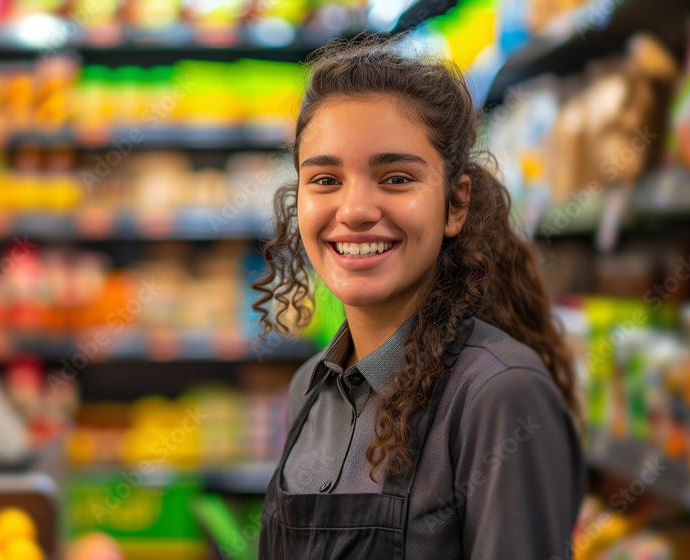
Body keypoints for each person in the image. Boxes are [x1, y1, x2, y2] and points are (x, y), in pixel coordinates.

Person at [251, 33, 585, 560]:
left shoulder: (499, 395)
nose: (355, 209)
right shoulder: (308, 389)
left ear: (455, 204)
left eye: (397, 177)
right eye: (325, 179)